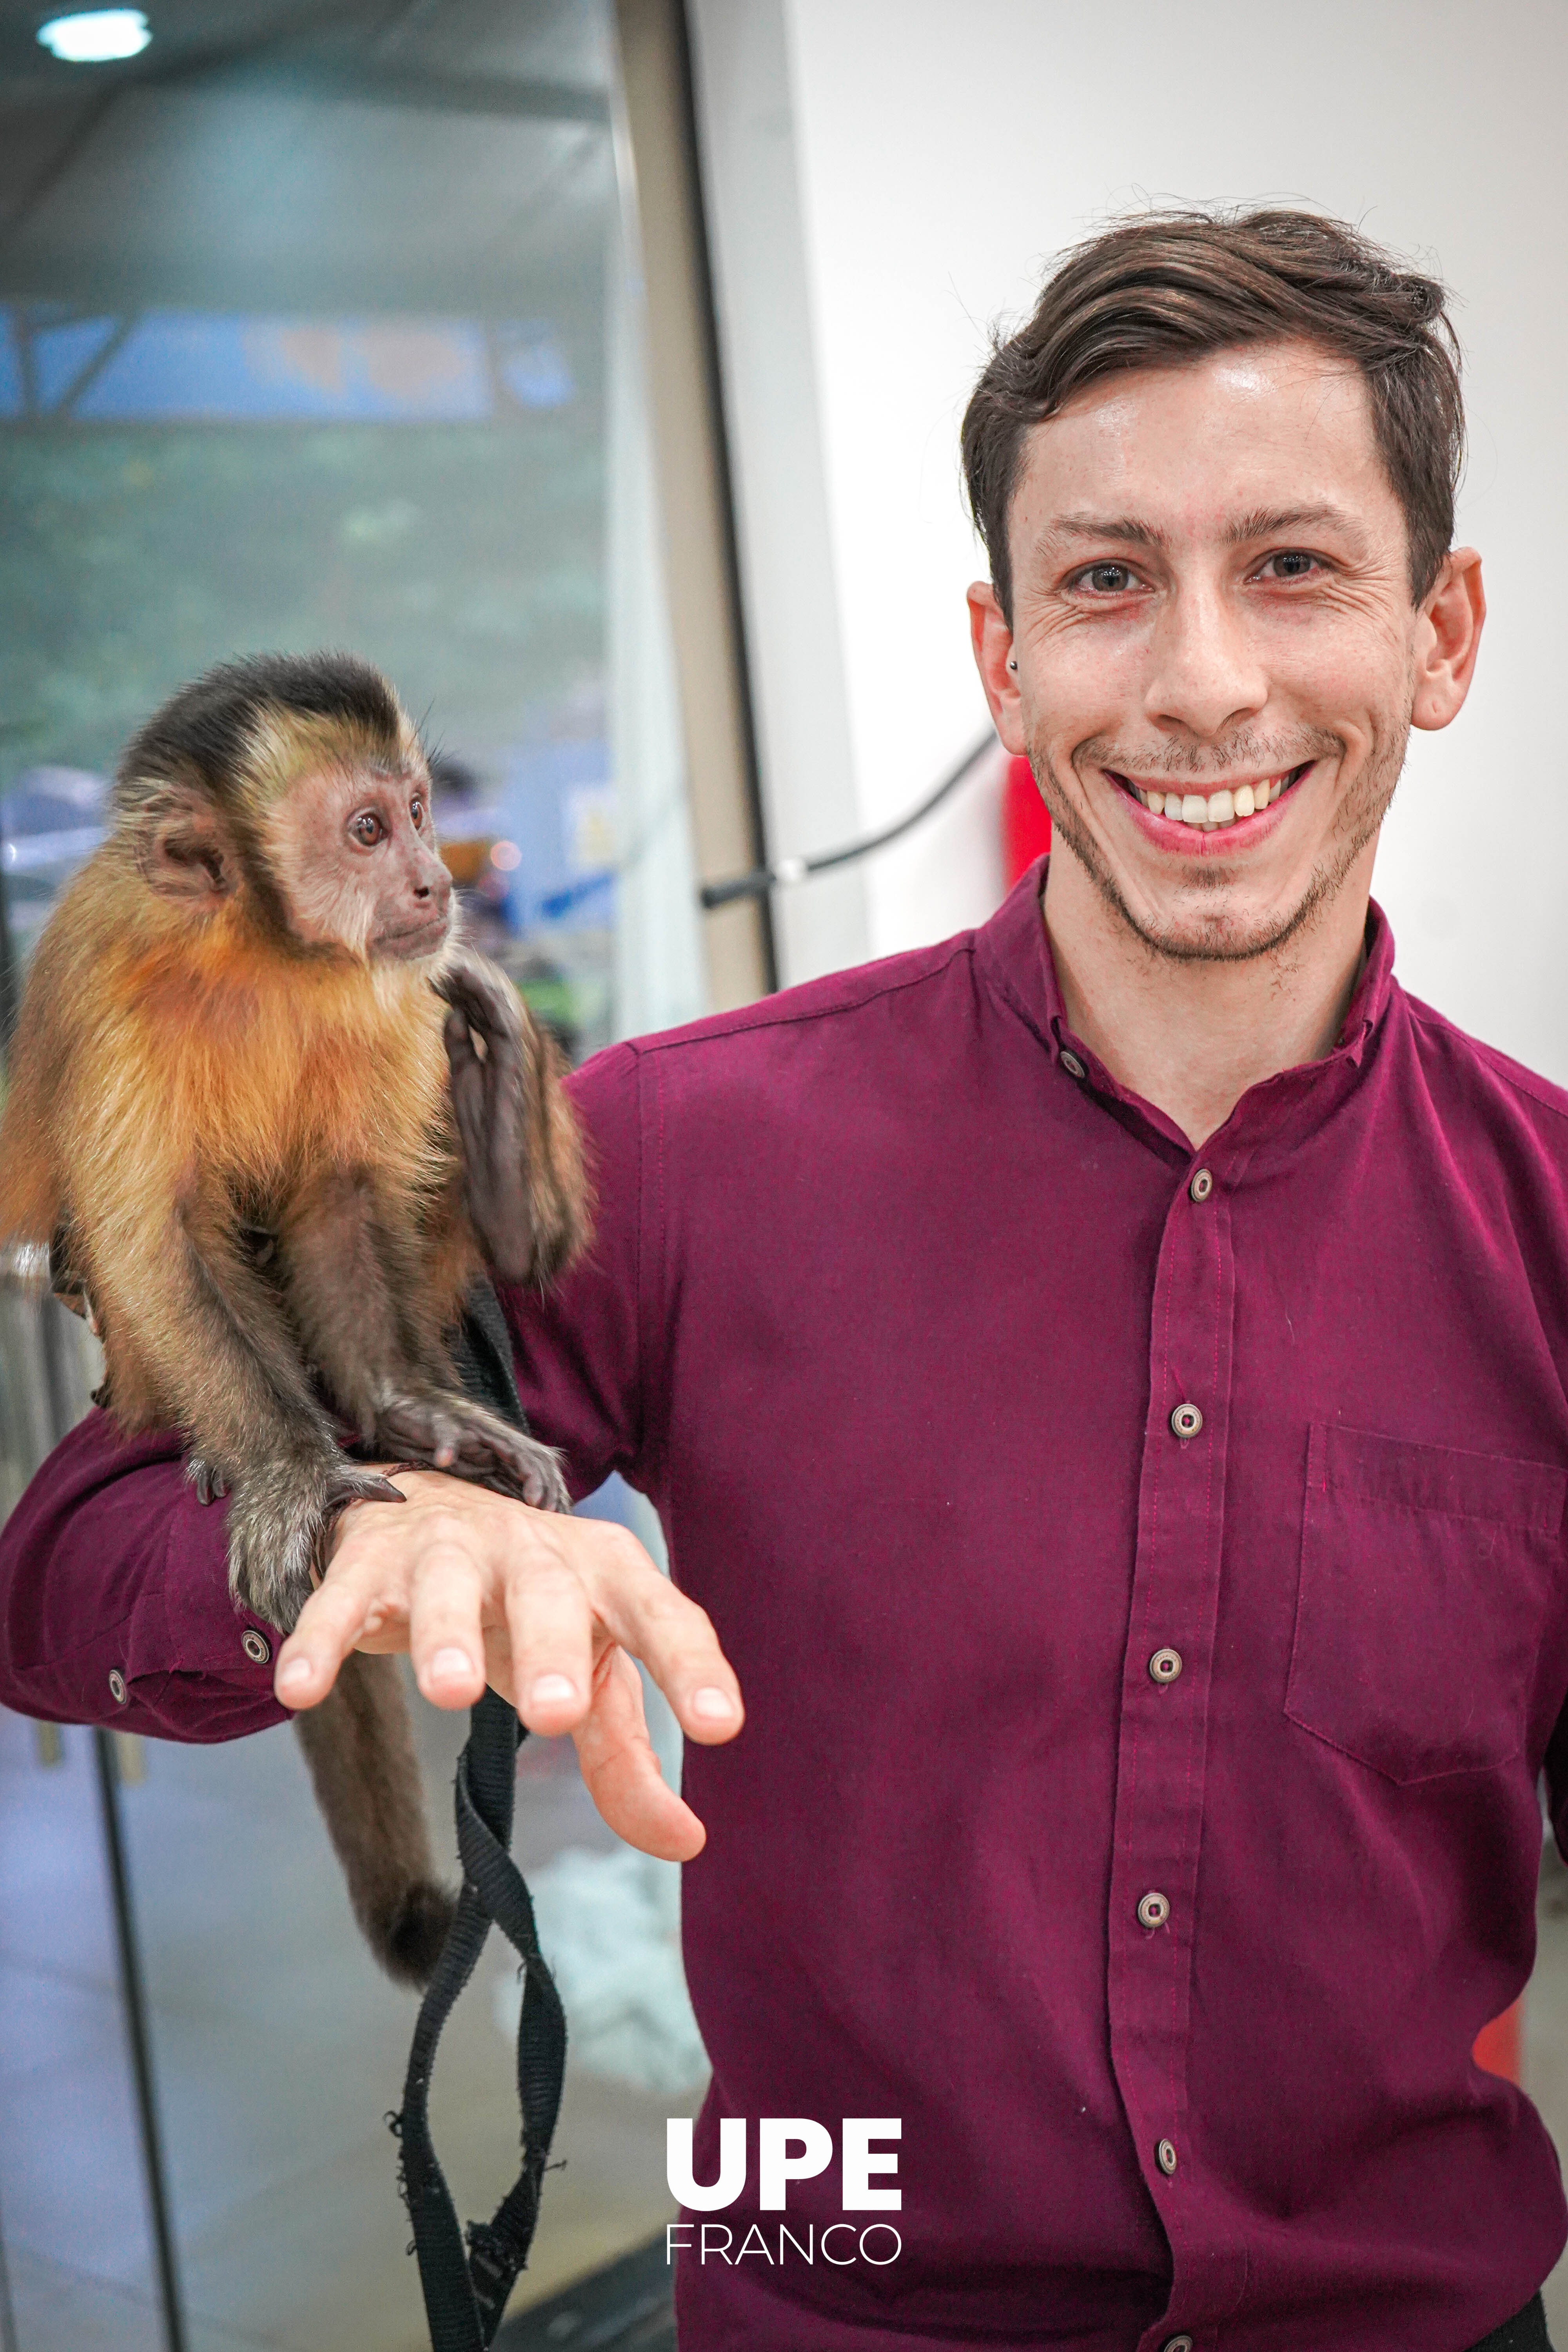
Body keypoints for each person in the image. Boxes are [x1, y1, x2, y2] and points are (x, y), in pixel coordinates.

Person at [2, 207, 1564, 2352]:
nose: (1204, 678)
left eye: (1293, 566)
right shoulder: (689, 1151)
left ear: (1445, 634)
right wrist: (364, 1530)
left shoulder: (1552, 1235)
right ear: (1004, 658)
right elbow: (62, 1567)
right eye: (1107, 581)